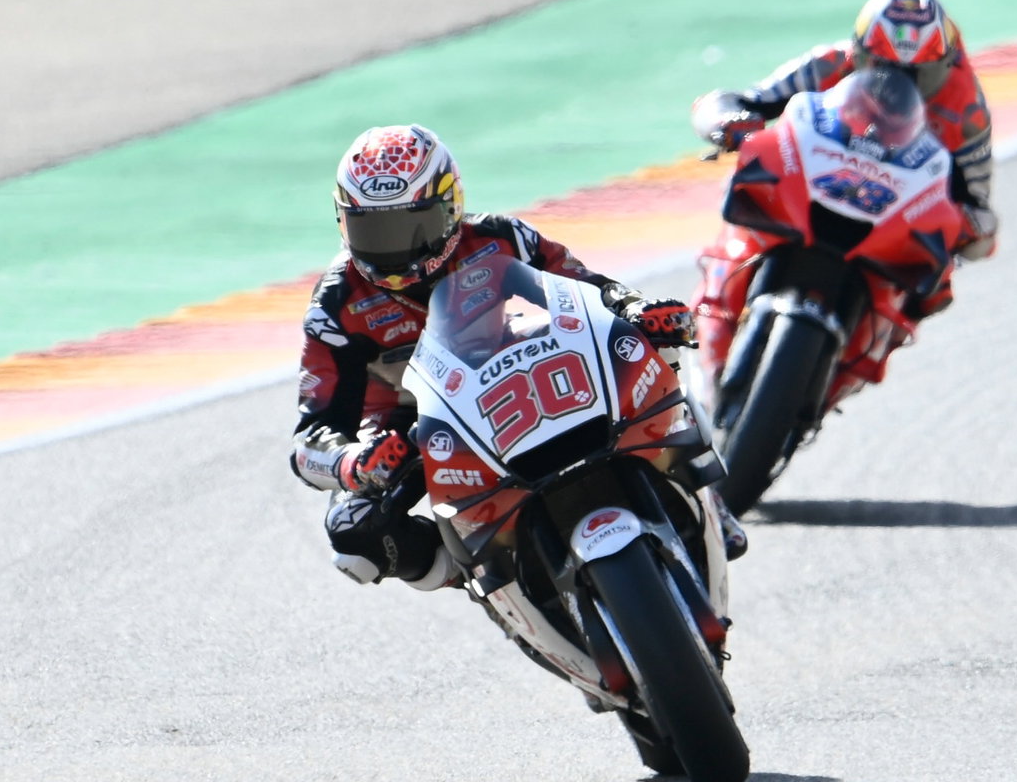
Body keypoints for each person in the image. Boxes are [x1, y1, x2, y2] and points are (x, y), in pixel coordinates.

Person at [289, 124, 743, 590]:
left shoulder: (500, 237)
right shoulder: (335, 304)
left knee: (644, 340)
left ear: (449, 207)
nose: (390, 250)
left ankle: (700, 489)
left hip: (506, 371)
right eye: (372, 229)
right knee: (354, 532)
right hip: (413, 427)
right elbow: (310, 441)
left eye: (408, 226)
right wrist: (355, 462)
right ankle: (477, 576)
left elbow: (587, 286)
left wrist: (637, 309)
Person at [688, 0, 997, 381]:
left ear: (945, 64)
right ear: (860, 53)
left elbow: (978, 199)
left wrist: (970, 226)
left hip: (891, 215)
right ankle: (711, 325)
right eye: (881, 68)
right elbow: (746, 100)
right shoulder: (830, 64)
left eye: (920, 75)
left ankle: (845, 371)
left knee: (934, 289)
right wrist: (729, 122)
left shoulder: (966, 111)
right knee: (750, 188)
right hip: (816, 184)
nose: (895, 87)